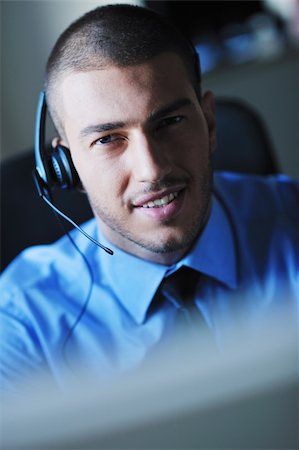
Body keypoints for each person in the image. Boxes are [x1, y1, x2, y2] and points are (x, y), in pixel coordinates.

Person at [1, 4, 298, 391]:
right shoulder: (22, 325)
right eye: (108, 139)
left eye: (170, 122)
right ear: (67, 166)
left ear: (208, 123)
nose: (152, 170)